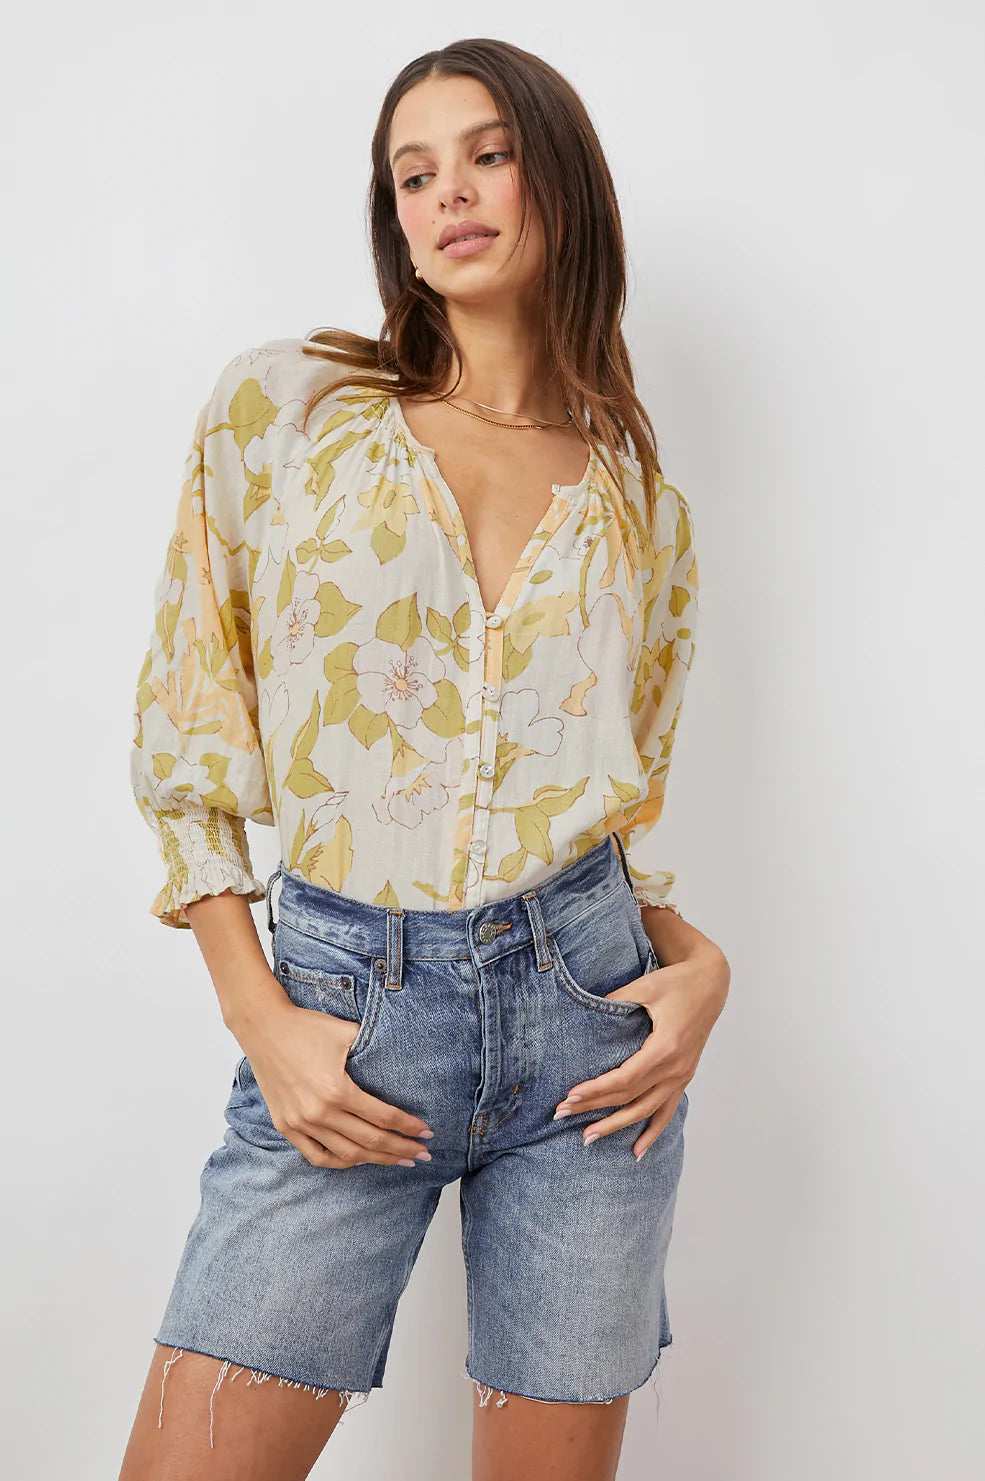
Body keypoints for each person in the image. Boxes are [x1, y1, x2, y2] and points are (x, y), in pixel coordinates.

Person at [118, 36, 730, 1481]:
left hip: (589, 1043)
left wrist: (699, 965)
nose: (448, 191)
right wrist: (260, 1017)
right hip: (346, 1018)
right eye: (413, 173)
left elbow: (619, 800)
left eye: (487, 155)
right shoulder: (290, 411)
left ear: (556, 181)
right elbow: (192, 723)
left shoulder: (639, 500)